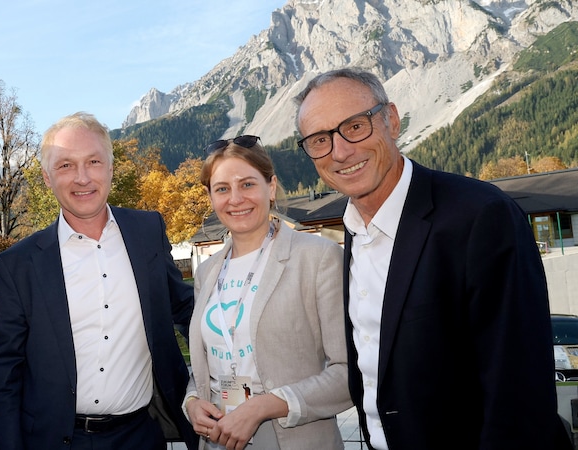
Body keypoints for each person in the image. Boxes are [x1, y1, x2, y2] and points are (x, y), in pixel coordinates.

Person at [294, 68, 571, 450]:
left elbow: (519, 391)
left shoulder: (481, 215)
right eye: (319, 140)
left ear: (391, 119)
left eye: (355, 126)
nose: (340, 151)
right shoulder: (353, 230)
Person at [0, 111, 199, 449]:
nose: (82, 178)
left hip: (141, 436)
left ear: (111, 169)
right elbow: (5, 373)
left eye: (93, 162)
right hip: (55, 440)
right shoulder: (19, 264)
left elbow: (187, 311)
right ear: (46, 177)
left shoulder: (147, 232)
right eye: (65, 165)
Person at [184, 135, 351, 449]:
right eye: (222, 189)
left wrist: (266, 405)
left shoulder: (318, 258)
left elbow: (349, 373)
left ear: (270, 187)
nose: (235, 199)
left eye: (247, 184)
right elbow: (211, 362)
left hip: (294, 438)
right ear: (211, 197)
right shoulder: (207, 272)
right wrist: (193, 400)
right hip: (220, 437)